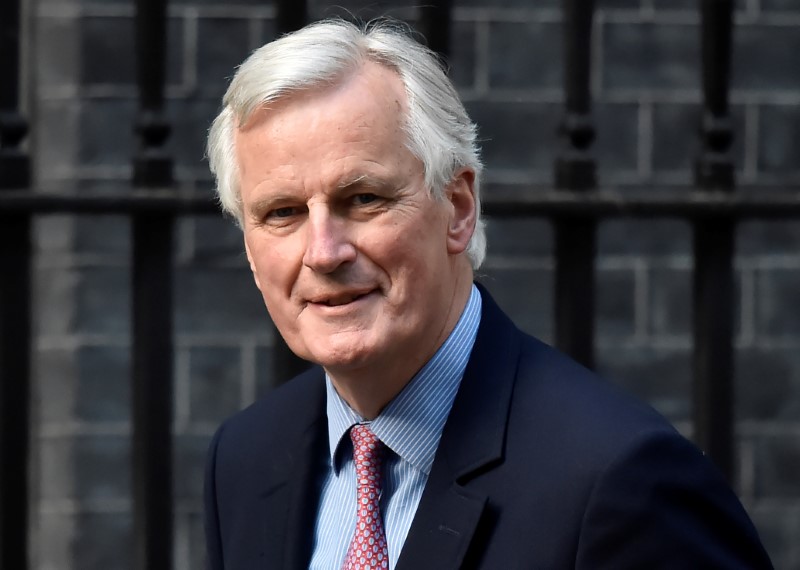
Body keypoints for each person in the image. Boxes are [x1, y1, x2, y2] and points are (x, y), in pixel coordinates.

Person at [203, 18, 772, 569]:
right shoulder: (246, 458)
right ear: (251, 250)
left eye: (365, 199)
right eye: (282, 213)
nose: (324, 252)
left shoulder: (623, 482)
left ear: (458, 209)